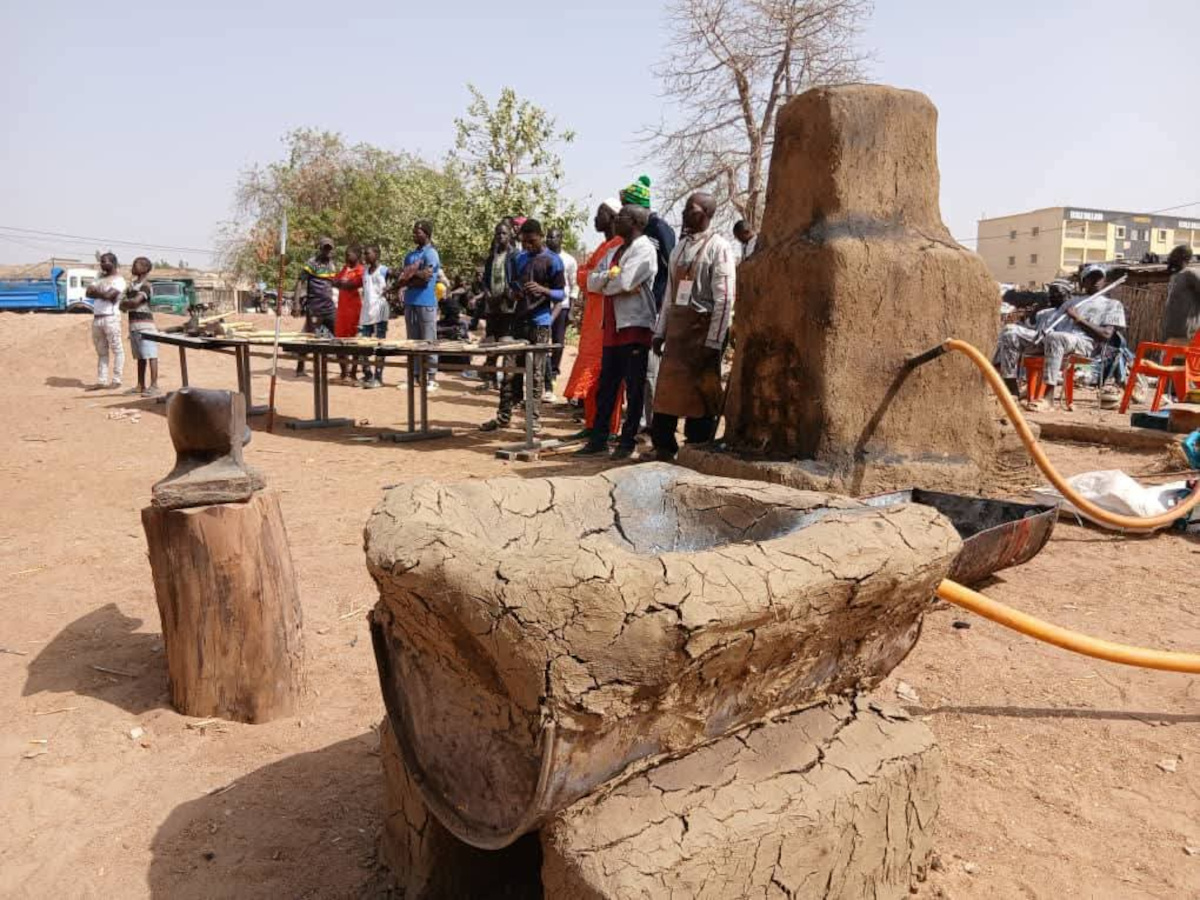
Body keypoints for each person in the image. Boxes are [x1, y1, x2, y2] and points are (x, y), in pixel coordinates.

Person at [651, 192, 735, 461]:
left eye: (692, 209)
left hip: (702, 332)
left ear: (706, 214)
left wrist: (714, 341)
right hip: (677, 332)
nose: (685, 213)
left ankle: (696, 448)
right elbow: (669, 295)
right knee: (666, 392)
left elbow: (724, 298)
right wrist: (660, 332)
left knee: (700, 396)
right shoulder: (679, 248)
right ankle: (664, 446)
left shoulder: (719, 247)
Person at [574, 204, 659, 460]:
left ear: (635, 222)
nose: (616, 219)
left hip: (634, 327)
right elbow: (592, 281)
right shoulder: (615, 250)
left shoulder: (644, 249)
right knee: (607, 387)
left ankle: (627, 441)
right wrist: (609, 280)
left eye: (622, 216)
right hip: (611, 327)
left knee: (633, 388)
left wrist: (609, 281)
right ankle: (598, 439)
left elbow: (624, 281)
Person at [993, 266, 1125, 407]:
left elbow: (1106, 335)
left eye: (1099, 278)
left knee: (1056, 338)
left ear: (1104, 281)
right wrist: (1043, 331)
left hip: (1084, 344)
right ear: (1083, 282)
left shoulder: (1112, 305)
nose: (1095, 281)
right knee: (1010, 331)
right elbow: (1052, 325)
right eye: (1091, 278)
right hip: (1054, 340)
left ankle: (1048, 398)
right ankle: (1012, 391)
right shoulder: (1071, 302)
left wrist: (1078, 319)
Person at [480, 219, 564, 435]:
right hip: (518, 321)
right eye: (524, 242)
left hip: (540, 323)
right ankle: (503, 416)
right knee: (509, 370)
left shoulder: (553, 260)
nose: (527, 245)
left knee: (536, 374)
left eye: (531, 241)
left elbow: (561, 294)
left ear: (540, 236)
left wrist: (543, 290)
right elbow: (514, 285)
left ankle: (532, 420)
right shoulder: (519, 258)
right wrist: (514, 293)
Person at [563, 200, 624, 441]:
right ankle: (591, 424)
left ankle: (608, 429)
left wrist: (591, 278)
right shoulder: (603, 246)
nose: (595, 219)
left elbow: (600, 278)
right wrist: (592, 277)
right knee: (592, 380)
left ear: (612, 217)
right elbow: (583, 276)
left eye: (600, 213)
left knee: (608, 378)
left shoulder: (619, 246)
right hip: (592, 321)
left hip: (606, 322)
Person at [619, 175, 676, 431]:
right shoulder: (636, 234)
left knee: (651, 370)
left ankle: (653, 422)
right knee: (637, 370)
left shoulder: (660, 229)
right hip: (637, 309)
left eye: (627, 207)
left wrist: (664, 307)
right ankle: (640, 418)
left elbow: (671, 268)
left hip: (656, 306)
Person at [396, 220, 441, 391]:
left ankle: (431, 377)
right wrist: (412, 276)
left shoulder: (431, 253)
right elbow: (403, 278)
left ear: (427, 234)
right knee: (412, 341)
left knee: (429, 340)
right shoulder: (410, 255)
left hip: (426, 301)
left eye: (418, 232)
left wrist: (409, 277)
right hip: (410, 301)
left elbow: (426, 277)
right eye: (414, 232)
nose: (414, 235)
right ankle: (414, 376)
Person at [478, 220, 518, 390]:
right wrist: (487, 293)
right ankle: (491, 378)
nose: (500, 236)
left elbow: (517, 280)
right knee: (491, 342)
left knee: (507, 343)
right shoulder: (491, 258)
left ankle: (507, 383)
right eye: (498, 233)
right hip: (492, 306)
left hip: (508, 307)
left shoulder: (514, 256)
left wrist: (506, 295)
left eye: (504, 233)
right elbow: (485, 280)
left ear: (510, 236)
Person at [293, 237, 338, 377]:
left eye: (329, 248)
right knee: (310, 337)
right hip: (315, 307)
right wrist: (296, 303)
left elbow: (334, 284)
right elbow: (300, 281)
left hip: (329, 307)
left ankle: (345, 371)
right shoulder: (312, 263)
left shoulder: (332, 265)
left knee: (339, 335)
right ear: (320, 248)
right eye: (325, 248)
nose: (327, 251)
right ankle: (300, 367)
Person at [544, 227, 578, 399]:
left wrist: (571, 309)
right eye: (548, 237)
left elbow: (574, 285)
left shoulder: (569, 260)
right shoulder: (542, 257)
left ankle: (553, 373)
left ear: (561, 239)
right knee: (542, 341)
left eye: (554, 237)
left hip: (562, 306)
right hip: (544, 305)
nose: (550, 240)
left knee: (558, 342)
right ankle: (544, 376)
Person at [120, 256, 161, 396]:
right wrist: (128, 303)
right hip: (134, 325)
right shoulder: (132, 285)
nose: (133, 267)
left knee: (151, 355)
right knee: (140, 357)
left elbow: (133, 302)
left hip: (146, 326)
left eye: (136, 264)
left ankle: (154, 386)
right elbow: (122, 305)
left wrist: (127, 303)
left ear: (145, 268)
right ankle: (140, 385)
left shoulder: (146, 285)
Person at [85, 252, 127, 390]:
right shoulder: (99, 277)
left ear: (113, 263)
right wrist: (103, 294)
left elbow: (110, 296)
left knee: (117, 349)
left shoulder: (119, 280)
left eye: (105, 261)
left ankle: (117, 379)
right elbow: (88, 293)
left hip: (111, 317)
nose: (102, 264)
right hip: (97, 318)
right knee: (101, 352)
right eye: (101, 261)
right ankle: (101, 381)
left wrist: (97, 292)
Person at [357, 245, 389, 389]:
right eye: (364, 253)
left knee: (379, 345)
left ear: (376, 254)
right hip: (366, 311)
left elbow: (400, 276)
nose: (365, 256)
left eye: (368, 253)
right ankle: (367, 374)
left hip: (380, 311)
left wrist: (391, 289)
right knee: (363, 344)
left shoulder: (384, 270)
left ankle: (378, 377)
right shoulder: (364, 271)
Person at [331, 246, 364, 382]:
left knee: (354, 342)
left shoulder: (361, 270)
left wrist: (342, 283)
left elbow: (353, 285)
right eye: (345, 254)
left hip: (355, 311)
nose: (346, 257)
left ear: (357, 255)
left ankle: (353, 373)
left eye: (348, 254)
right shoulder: (344, 269)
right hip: (342, 312)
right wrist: (342, 283)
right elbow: (334, 282)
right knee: (339, 341)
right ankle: (344, 372)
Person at [1162, 245, 1200, 346]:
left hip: (1186, 337)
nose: (1172, 258)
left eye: (1175, 255)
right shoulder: (1174, 277)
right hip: (1170, 335)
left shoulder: (1191, 274)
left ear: (1184, 258)